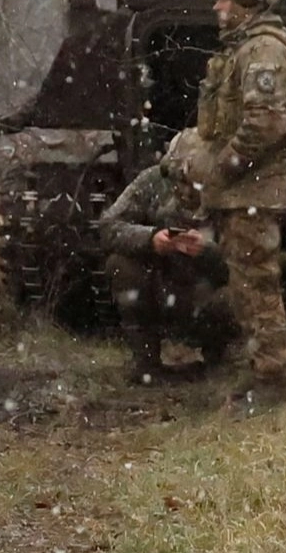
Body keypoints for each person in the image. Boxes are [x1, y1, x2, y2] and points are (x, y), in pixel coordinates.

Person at [183, 0, 286, 397]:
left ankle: (271, 382)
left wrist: (222, 170)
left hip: (250, 188)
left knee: (257, 289)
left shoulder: (264, 51)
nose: (217, 8)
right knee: (246, 287)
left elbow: (264, 125)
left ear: (248, 0)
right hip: (243, 190)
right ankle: (262, 374)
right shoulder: (248, 47)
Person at [95, 130, 235, 382]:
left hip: (210, 286)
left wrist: (208, 250)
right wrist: (151, 239)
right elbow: (109, 225)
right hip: (164, 280)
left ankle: (222, 359)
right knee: (121, 266)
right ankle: (147, 363)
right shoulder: (154, 181)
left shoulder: (233, 187)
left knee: (241, 288)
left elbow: (246, 255)